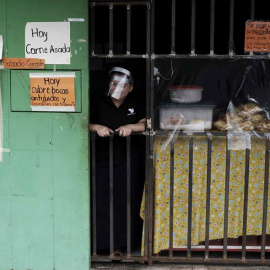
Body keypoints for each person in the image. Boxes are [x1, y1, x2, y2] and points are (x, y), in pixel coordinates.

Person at [89, 67, 146, 255]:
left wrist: (132, 126)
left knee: (126, 201)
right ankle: (98, 245)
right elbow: (83, 122)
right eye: (114, 84)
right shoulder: (98, 100)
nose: (118, 88)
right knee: (101, 200)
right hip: (101, 159)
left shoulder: (136, 100)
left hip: (128, 159)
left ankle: (120, 246)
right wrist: (97, 127)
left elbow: (146, 123)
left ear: (130, 88)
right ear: (108, 85)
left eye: (124, 85)